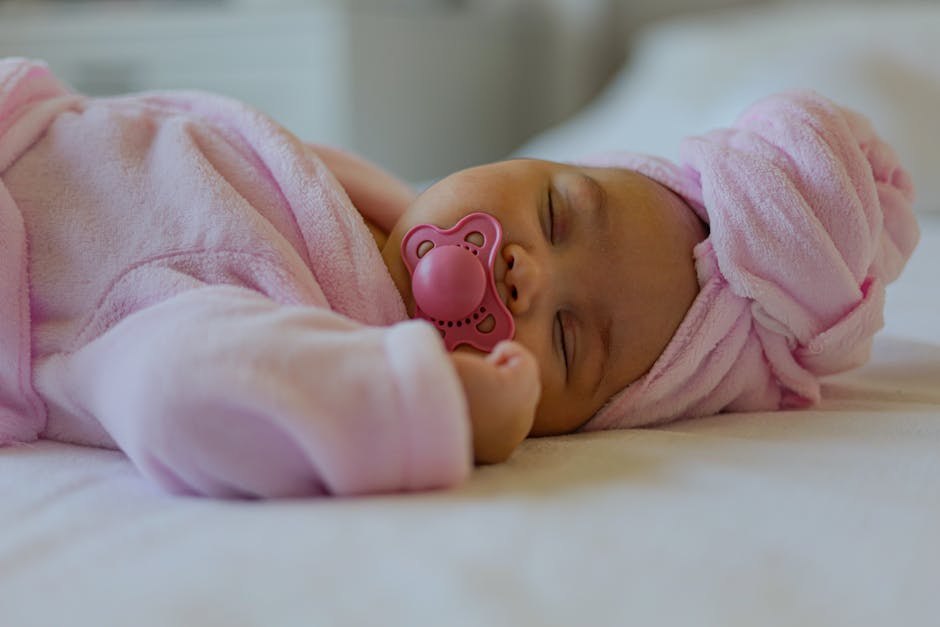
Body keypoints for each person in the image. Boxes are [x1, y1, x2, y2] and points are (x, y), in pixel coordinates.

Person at [0, 58, 918, 498]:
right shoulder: (360, 213)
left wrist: (424, 401)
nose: (527, 277)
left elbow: (174, 391)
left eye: (567, 338)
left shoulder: (289, 315)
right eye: (558, 215)